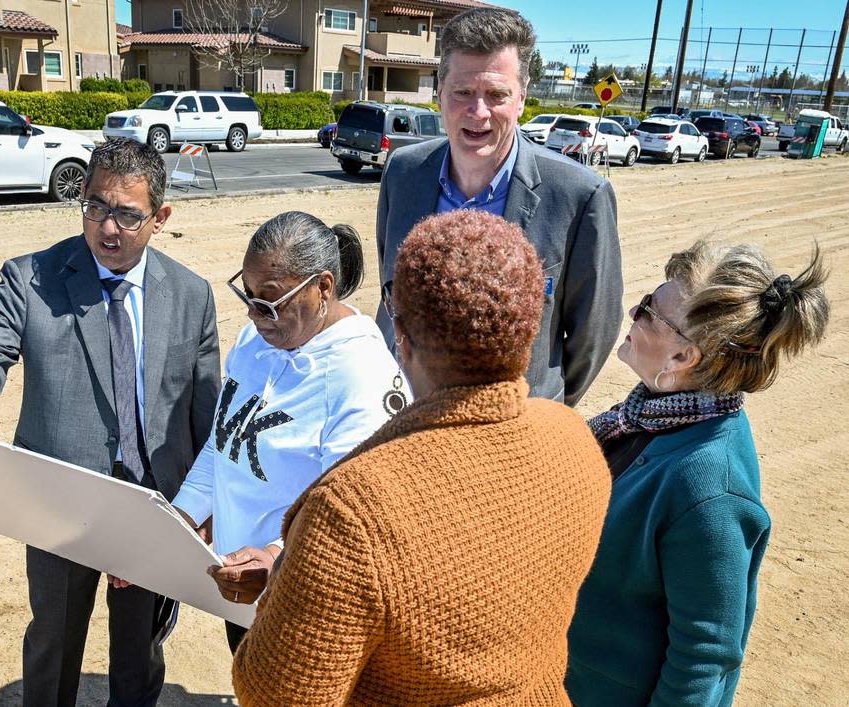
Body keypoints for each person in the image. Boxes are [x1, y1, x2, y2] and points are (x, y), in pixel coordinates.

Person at [232, 209, 612, 705]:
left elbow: (273, 694)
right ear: (530, 326)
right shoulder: (575, 440)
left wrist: (284, 582)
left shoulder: (354, 512)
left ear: (402, 338)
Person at [0, 138, 221, 707]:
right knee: (53, 642)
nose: (108, 227)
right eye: (96, 207)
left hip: (153, 508)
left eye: (128, 214)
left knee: (140, 648)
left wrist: (201, 510)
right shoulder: (31, 279)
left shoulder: (191, 296)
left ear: (160, 217)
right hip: (59, 505)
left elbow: (204, 416)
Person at [566, 240, 829, 706]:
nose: (633, 310)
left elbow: (704, 658)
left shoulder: (710, 490)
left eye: (650, 311)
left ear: (683, 359)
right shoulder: (651, 416)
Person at [167, 211, 404, 654]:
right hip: (241, 588)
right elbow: (225, 442)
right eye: (249, 296)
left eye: (270, 301)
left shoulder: (360, 374)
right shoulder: (254, 343)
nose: (256, 315)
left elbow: (348, 513)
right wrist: (182, 516)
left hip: (310, 600)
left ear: (323, 288)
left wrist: (276, 557)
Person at [375, 6, 623, 406]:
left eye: (497, 95)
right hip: (405, 413)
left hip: (513, 426)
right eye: (463, 93)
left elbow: (592, 334)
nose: (478, 112)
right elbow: (392, 294)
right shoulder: (403, 173)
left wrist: (539, 407)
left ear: (522, 98)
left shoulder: (580, 196)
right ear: (439, 93)